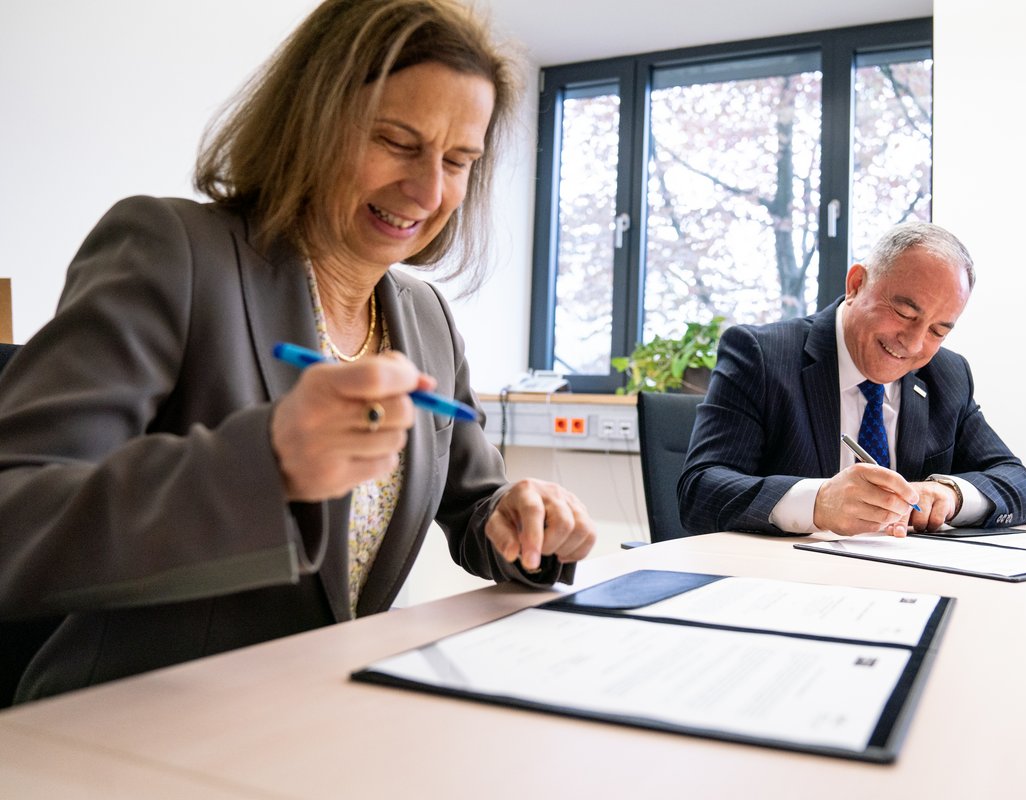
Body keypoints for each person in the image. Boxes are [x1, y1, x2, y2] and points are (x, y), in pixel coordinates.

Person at [0, 0, 595, 704]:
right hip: (126, 727)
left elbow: (475, 508)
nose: (430, 190)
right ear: (311, 123)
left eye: (459, 160)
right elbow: (15, 517)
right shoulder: (173, 253)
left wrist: (524, 522)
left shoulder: (426, 317)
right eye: (398, 142)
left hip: (316, 720)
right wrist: (266, 464)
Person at [678, 222, 1026, 538]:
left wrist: (950, 494)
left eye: (938, 330)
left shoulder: (947, 374)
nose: (913, 344)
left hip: (905, 589)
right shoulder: (761, 355)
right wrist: (819, 503)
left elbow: (1017, 482)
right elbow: (701, 490)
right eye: (904, 313)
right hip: (785, 586)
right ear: (856, 284)